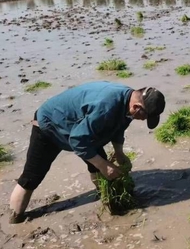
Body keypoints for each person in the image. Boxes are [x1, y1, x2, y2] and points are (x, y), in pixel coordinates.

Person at [9, 81, 166, 224]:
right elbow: (78, 141)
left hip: (82, 127)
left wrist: (119, 153)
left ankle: (106, 199)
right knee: (31, 178)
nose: (143, 120)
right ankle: (16, 219)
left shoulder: (129, 100)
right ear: (137, 107)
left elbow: (118, 127)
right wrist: (104, 165)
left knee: (99, 165)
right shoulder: (106, 106)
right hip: (49, 126)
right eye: (145, 117)